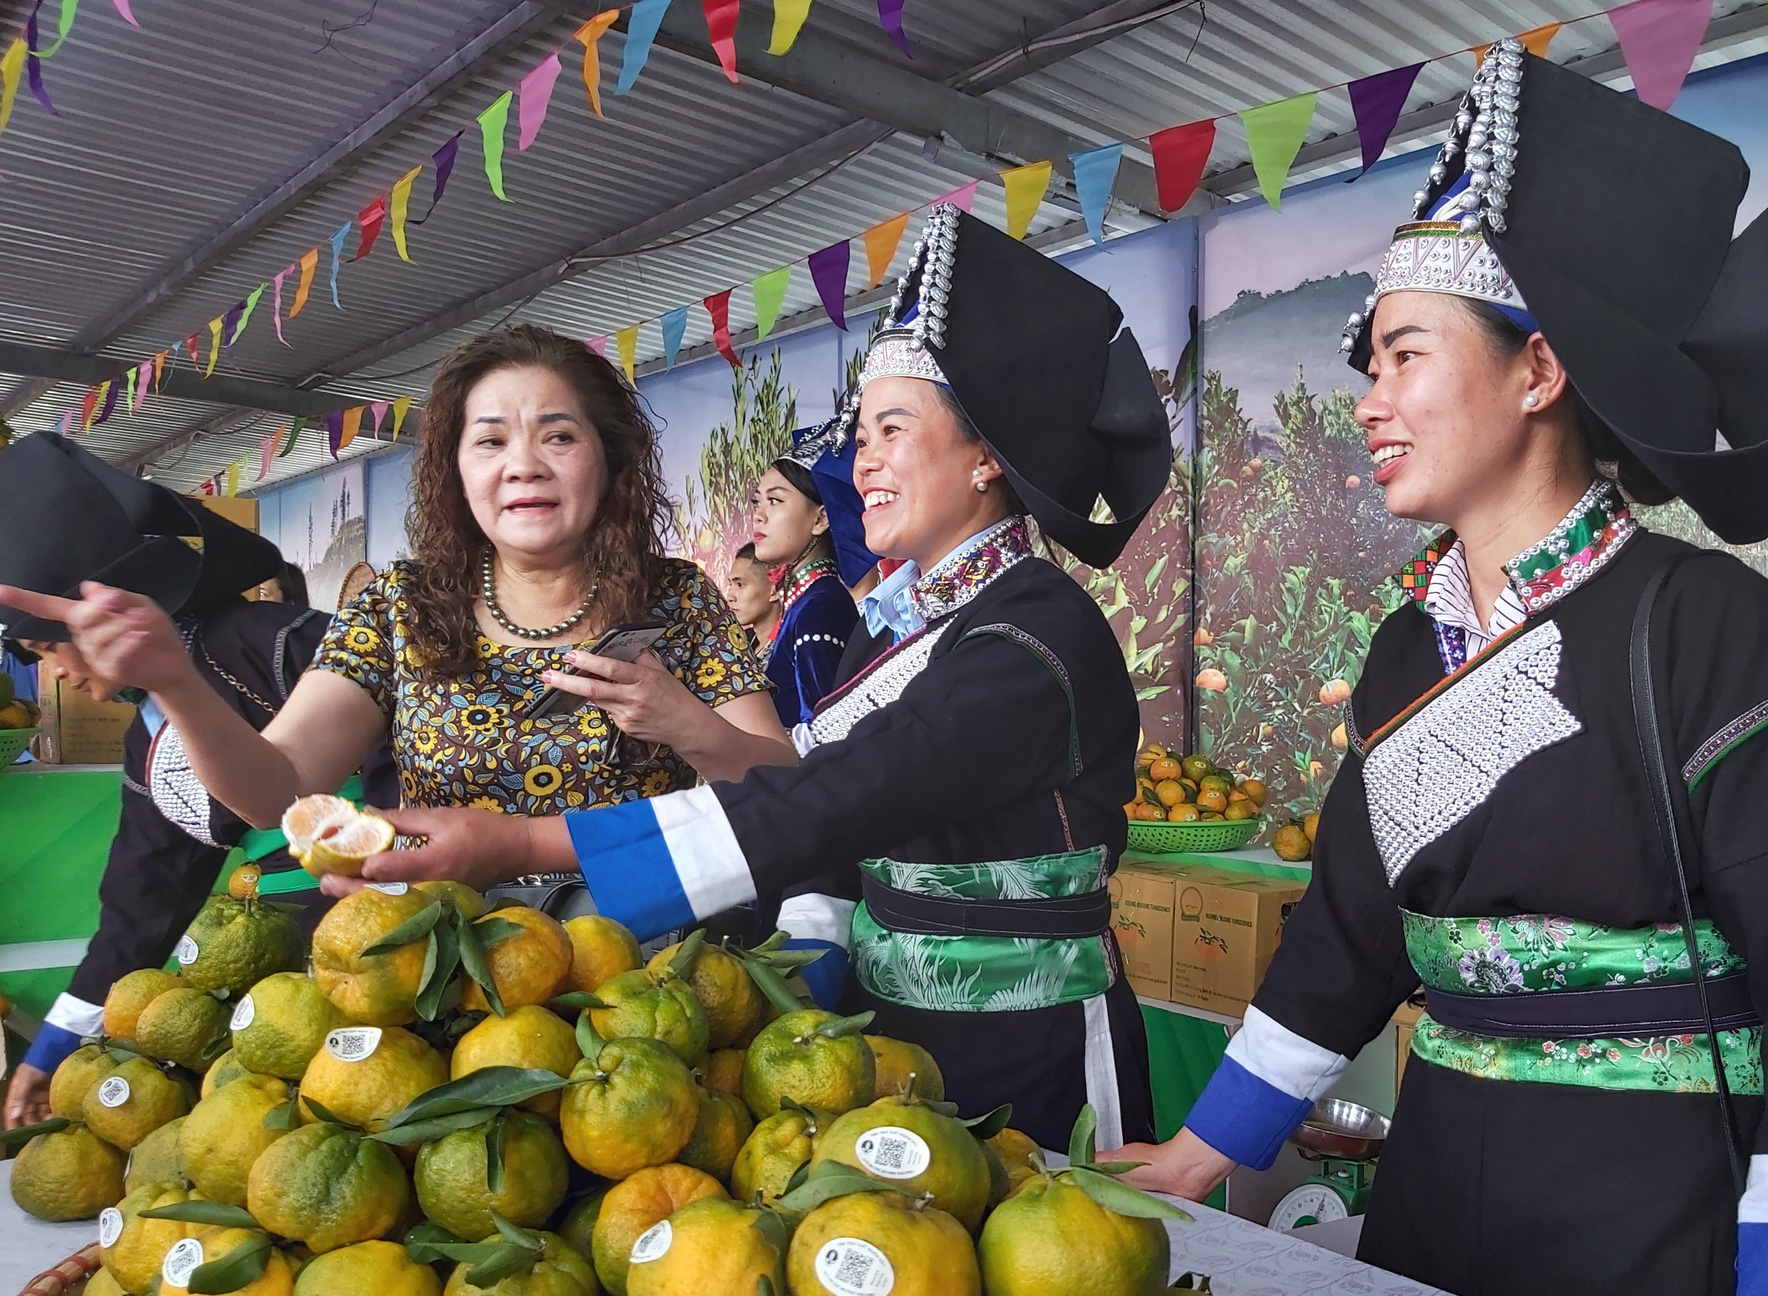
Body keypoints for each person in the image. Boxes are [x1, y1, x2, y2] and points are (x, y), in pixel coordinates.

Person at [1107, 45, 1768, 1296]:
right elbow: (1350, 939)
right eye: (1369, 359)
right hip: (1442, 1183)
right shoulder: (1400, 657)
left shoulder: (1720, 633)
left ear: (1538, 369)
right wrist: (1200, 1151)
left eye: (1407, 353)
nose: (1368, 395)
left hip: (1660, 1216)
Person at [287, 207, 1175, 1151]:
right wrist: (797, 981)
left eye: (891, 428)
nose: (860, 461)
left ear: (988, 455)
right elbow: (829, 825)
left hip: (1028, 1054)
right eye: (860, 433)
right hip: (886, 1049)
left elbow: (842, 796)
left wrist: (521, 843)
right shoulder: (911, 628)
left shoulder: (1034, 641)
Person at [0, 326, 790, 865]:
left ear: (609, 461)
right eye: (489, 441)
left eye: (558, 435)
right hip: (441, 962)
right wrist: (176, 681)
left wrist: (686, 724)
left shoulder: (680, 602)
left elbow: (784, 784)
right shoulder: (402, 607)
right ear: (457, 471)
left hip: (649, 976)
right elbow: (278, 791)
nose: (523, 464)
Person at [0, 434, 397, 1126]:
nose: (55, 672)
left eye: (46, 646)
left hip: (393, 948)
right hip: (281, 987)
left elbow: (411, 750)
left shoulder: (276, 640)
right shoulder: (148, 742)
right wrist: (53, 1050)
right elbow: (142, 904)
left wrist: (396, 892)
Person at [751, 424, 873, 728]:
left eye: (775, 501)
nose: (759, 515)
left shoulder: (819, 608)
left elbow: (825, 731)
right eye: (758, 501)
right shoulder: (807, 604)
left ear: (820, 519)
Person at [722, 544, 782, 645]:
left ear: (774, 591)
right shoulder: (739, 644)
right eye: (730, 584)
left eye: (740, 585)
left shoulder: (790, 649)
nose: (730, 597)